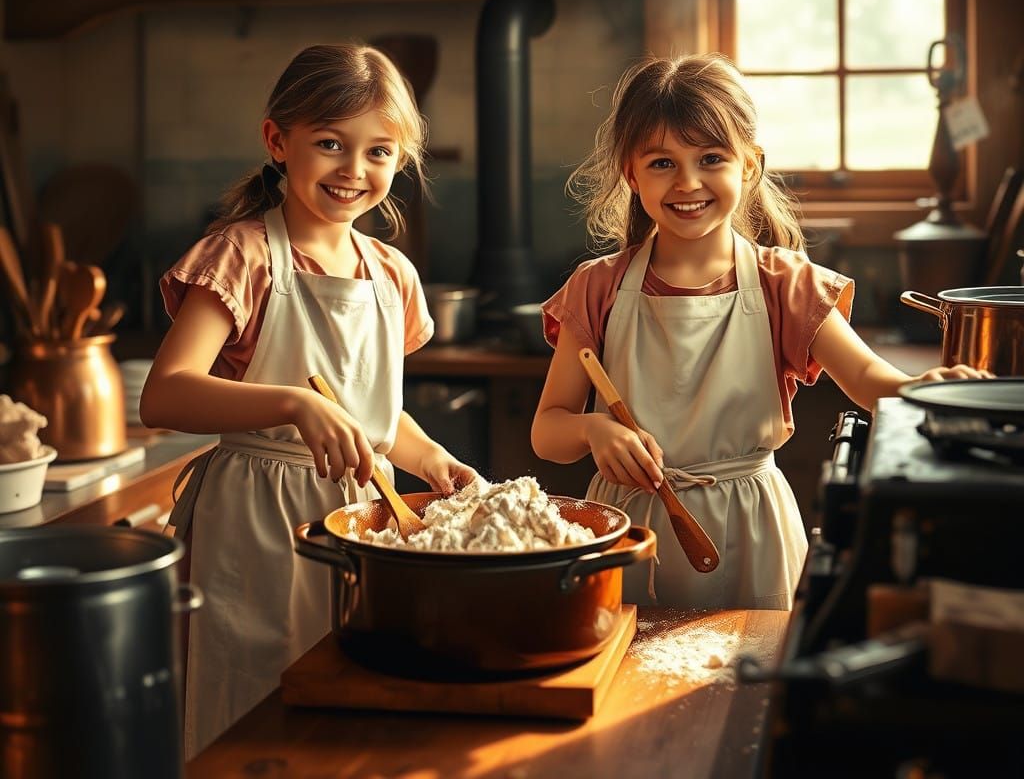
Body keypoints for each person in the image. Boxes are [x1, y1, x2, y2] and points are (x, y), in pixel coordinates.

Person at [531, 53, 990, 611]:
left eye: (711, 158)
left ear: (749, 165)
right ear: (630, 172)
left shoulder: (785, 284)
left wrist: (927, 388)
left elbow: (869, 379)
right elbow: (547, 431)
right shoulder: (596, 287)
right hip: (627, 530)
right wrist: (591, 433)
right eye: (661, 163)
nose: (688, 182)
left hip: (753, 530)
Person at [139, 43, 477, 757]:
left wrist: (433, 458)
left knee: (351, 710)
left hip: (361, 522)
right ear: (277, 141)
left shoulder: (392, 274)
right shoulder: (241, 256)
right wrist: (293, 404)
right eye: (330, 143)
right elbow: (165, 396)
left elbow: (373, 416)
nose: (355, 170)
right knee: (253, 699)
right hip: (254, 520)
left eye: (379, 152)